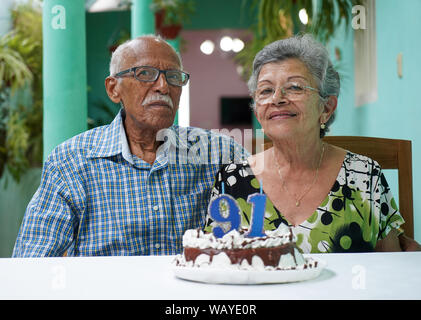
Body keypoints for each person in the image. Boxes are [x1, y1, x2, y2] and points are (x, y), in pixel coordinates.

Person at [13, 35, 248, 257]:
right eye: (145, 74)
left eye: (174, 76)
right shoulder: (72, 161)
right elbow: (34, 260)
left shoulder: (219, 153)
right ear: (113, 89)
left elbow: (264, 234)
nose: (163, 87)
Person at [204, 34, 420, 253]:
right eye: (266, 90)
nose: (277, 98)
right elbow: (216, 265)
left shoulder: (365, 176)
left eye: (295, 87)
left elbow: (390, 268)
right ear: (258, 112)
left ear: (326, 108)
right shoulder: (231, 180)